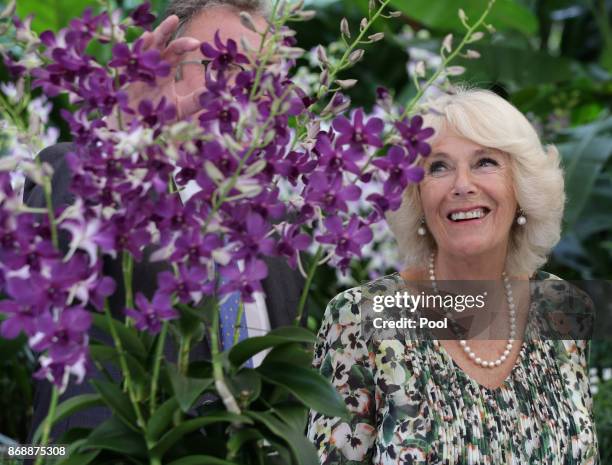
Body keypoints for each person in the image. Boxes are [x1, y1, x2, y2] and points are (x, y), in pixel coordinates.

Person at [24, 0, 305, 440]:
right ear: (168, 69)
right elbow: (53, 250)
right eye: (224, 62)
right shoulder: (92, 172)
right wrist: (126, 132)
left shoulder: (278, 224)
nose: (247, 87)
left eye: (266, 73)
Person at [306, 89, 599, 464]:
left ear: (522, 188)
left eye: (485, 163)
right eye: (438, 167)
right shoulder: (359, 318)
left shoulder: (566, 309)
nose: (462, 185)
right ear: (416, 197)